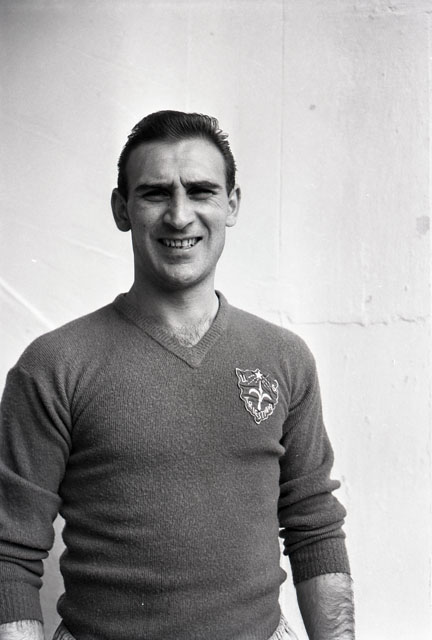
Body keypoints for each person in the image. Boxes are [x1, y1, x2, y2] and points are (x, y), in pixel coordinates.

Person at [0, 111, 354, 640]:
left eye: (201, 191)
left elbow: (315, 526)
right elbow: (10, 552)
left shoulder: (284, 357)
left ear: (232, 205)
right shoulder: (54, 365)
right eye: (155, 193)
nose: (180, 215)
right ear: (122, 209)